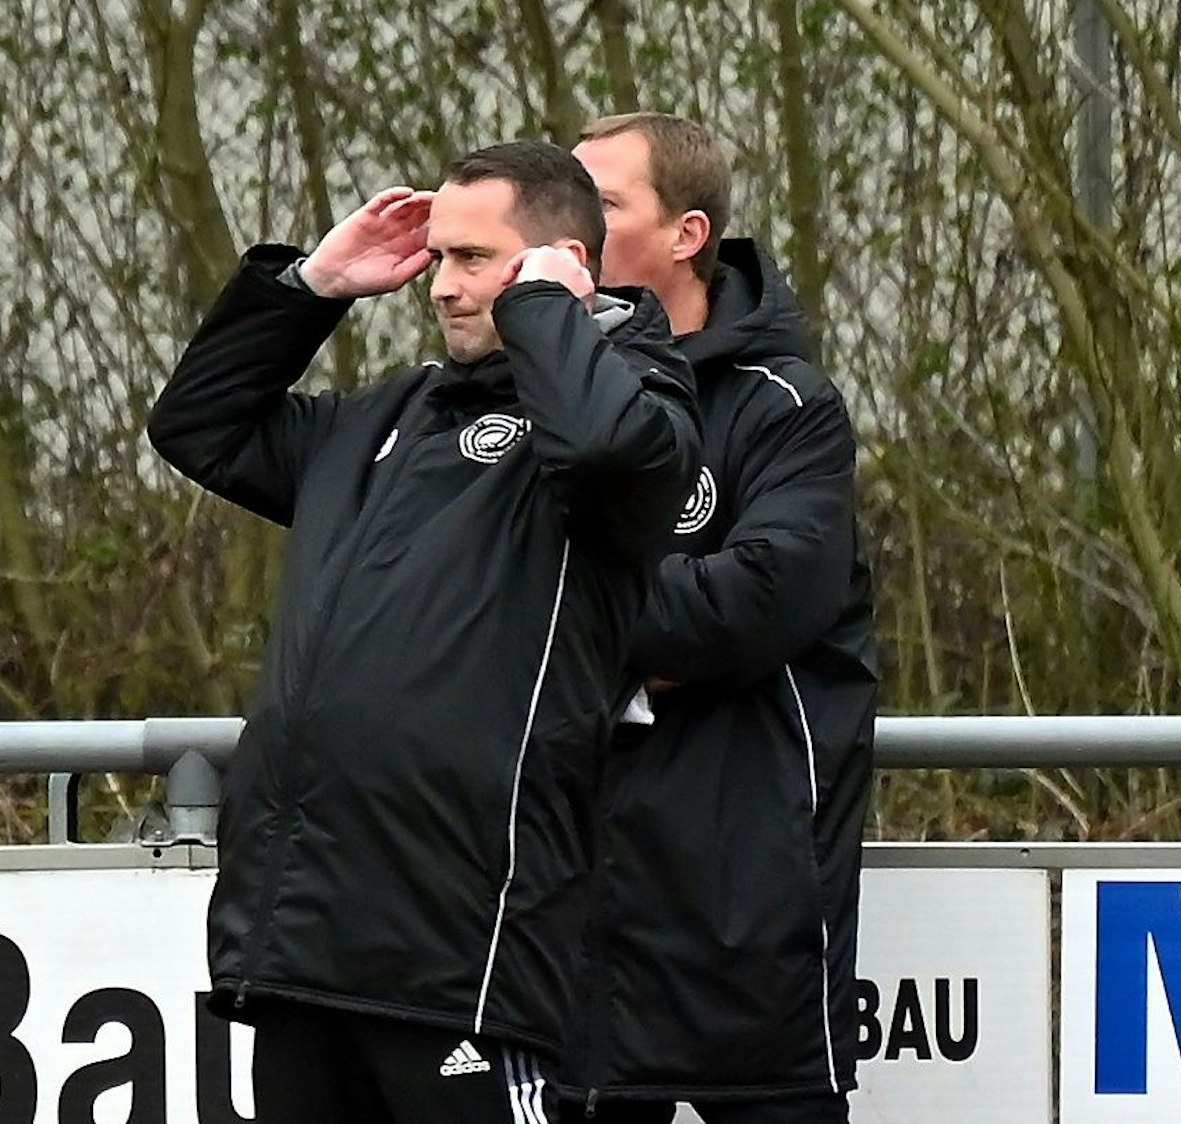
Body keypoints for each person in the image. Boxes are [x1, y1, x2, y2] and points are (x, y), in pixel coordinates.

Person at [146, 140, 703, 1123]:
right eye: (438, 257)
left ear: (558, 265)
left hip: (466, 958)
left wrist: (543, 313)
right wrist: (313, 286)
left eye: (473, 260)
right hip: (307, 948)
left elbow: (608, 448)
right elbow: (199, 426)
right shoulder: (381, 420)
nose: (442, 286)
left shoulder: (627, 410)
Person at [557, 113, 877, 1124]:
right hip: (566, 908)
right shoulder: (537, 398)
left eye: (598, 206)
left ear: (686, 235)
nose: (563, 231)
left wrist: (572, 628)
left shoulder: (783, 404)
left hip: (744, 902)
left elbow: (756, 601)